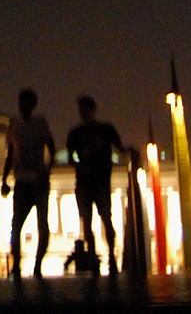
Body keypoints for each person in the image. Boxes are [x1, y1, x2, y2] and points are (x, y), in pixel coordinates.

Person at [65, 95, 124, 274]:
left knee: (100, 218)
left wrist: (80, 165)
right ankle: (100, 257)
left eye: (84, 109)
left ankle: (105, 257)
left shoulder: (88, 131)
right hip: (92, 181)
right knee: (95, 219)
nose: (82, 113)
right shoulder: (93, 131)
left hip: (95, 181)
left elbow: (120, 148)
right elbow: (120, 149)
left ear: (92, 110)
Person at [0, 88, 55, 278]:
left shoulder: (40, 124)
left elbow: (52, 149)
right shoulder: (14, 125)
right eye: (20, 102)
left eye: (25, 103)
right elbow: (10, 155)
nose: (21, 106)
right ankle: (17, 264)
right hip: (22, 182)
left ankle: (37, 265)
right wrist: (4, 179)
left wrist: (46, 172)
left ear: (32, 105)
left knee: (41, 225)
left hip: (37, 181)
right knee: (16, 225)